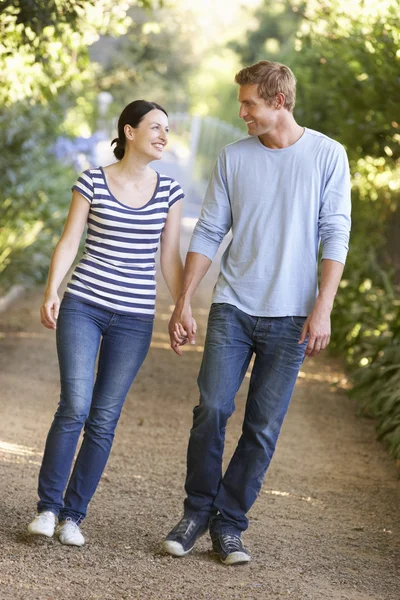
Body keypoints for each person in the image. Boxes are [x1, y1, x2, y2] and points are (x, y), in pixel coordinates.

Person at [163, 61, 351, 565]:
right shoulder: (233, 157)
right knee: (213, 408)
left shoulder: (328, 155)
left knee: (263, 427)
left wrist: (323, 308)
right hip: (234, 305)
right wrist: (182, 300)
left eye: (249, 103)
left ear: (279, 102)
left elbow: (336, 233)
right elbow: (208, 230)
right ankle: (196, 510)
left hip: (292, 316)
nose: (241, 112)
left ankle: (229, 523)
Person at [28, 100, 185, 546]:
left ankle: (73, 516)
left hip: (135, 318)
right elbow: (69, 240)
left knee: (104, 418)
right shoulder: (93, 180)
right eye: (155, 127)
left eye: (167, 129)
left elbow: (169, 259)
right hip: (84, 306)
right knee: (75, 406)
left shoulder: (170, 191)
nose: (163, 135)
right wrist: (52, 289)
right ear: (129, 131)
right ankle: (46, 508)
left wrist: (183, 306)